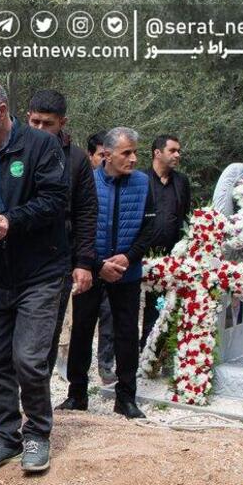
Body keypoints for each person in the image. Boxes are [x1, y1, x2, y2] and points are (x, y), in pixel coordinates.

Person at [0, 79, 69, 475]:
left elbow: (55, 201)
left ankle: (37, 433)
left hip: (40, 273)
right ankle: (6, 436)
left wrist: (10, 222)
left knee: (29, 359)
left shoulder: (40, 146)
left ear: (1, 111)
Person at [59, 127, 157, 420]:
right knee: (82, 331)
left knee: (127, 333)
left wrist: (128, 257)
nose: (133, 158)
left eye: (135, 152)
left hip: (127, 272)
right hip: (91, 271)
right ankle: (77, 395)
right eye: (127, 153)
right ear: (107, 155)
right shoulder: (87, 182)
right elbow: (75, 228)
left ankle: (126, 398)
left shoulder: (143, 183)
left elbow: (149, 228)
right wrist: (97, 264)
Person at [24, 90, 99, 380]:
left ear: (63, 123)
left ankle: (37, 398)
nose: (40, 129)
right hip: (17, 257)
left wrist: (84, 262)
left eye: (48, 123)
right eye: (35, 122)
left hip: (57, 260)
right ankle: (2, 400)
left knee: (47, 334)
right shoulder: (14, 151)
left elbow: (87, 212)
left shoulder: (77, 160)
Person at [142, 134, 192, 346]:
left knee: (162, 305)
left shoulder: (181, 182)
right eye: (172, 150)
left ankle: (154, 350)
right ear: (157, 153)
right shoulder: (140, 179)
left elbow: (185, 215)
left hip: (171, 257)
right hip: (140, 254)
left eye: (178, 151)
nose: (177, 155)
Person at [84, 131, 117, 383]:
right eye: (100, 155)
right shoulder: (85, 185)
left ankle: (105, 365)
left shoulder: (124, 184)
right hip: (87, 264)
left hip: (114, 264)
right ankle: (77, 379)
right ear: (91, 156)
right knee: (83, 323)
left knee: (110, 317)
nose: (105, 160)